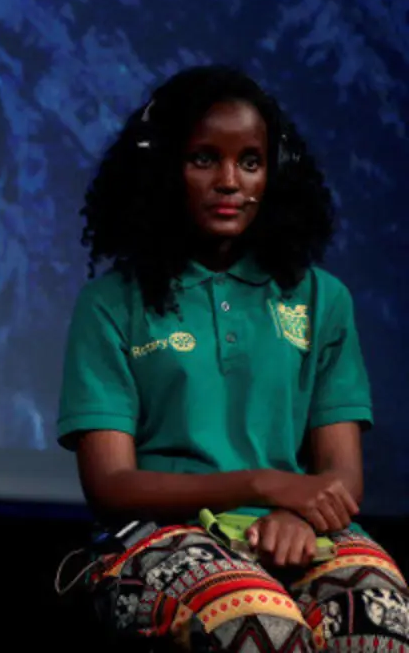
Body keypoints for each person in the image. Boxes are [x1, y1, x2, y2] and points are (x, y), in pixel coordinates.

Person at [57, 65, 408, 651]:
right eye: (203, 159)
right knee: (258, 625)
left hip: (300, 528)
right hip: (158, 535)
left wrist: (296, 515)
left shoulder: (322, 298)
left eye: (250, 161)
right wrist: (265, 485)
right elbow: (109, 483)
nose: (229, 180)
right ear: (163, 169)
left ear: (276, 173)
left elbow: (342, 476)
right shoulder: (111, 304)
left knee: (375, 618)